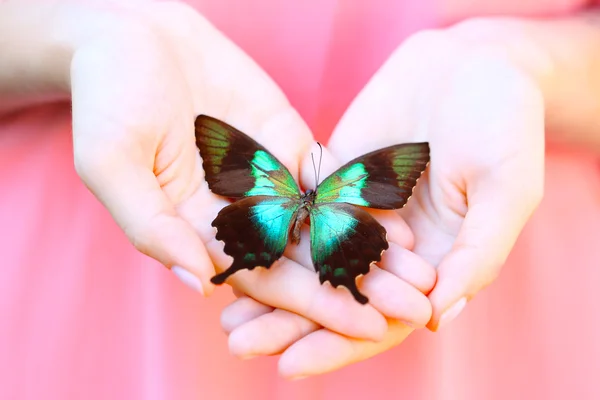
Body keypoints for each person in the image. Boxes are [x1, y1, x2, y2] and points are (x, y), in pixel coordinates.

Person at [1, 0, 599, 399]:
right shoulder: (349, 185)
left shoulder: (271, 176)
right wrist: (88, 34)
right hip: (74, 288)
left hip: (509, 258)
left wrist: (525, 67)